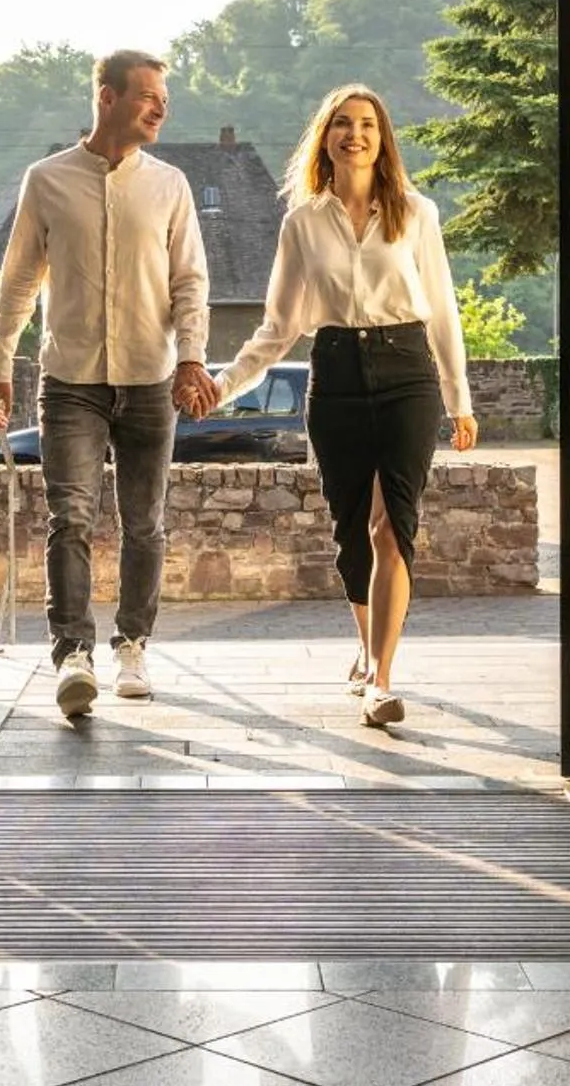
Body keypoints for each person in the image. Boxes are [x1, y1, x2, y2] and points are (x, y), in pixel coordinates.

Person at [198, 84, 476, 728]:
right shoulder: (302, 223)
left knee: (390, 526)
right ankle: (367, 647)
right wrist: (225, 385)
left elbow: (444, 310)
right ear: (325, 137)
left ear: (384, 141)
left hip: (408, 371)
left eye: (368, 126)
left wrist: (459, 400)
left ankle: (381, 680)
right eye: (344, 125)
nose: (356, 135)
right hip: (337, 375)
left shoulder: (416, 212)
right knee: (353, 532)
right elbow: (278, 327)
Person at [0, 50, 214, 719]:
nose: (160, 107)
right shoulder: (47, 180)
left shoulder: (170, 185)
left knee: (145, 524)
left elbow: (191, 281)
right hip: (72, 381)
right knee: (70, 518)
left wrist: (193, 358)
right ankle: (73, 654)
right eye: (147, 95)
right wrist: (0, 364)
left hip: (150, 380)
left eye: (163, 96)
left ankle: (133, 644)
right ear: (106, 97)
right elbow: (19, 281)